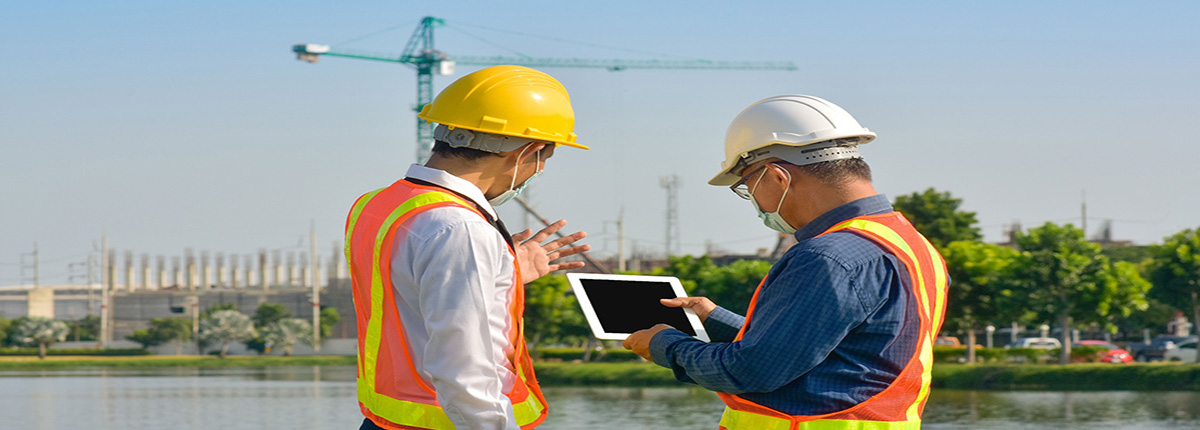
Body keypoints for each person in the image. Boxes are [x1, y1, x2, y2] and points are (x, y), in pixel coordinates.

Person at [624, 95, 949, 429]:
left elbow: (752, 370)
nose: (755, 203)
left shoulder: (826, 257)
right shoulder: (911, 245)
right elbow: (824, 351)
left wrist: (664, 344)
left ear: (778, 176)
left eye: (747, 187)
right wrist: (714, 319)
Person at [346, 65, 591, 430]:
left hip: (386, 420)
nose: (537, 171)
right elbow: (464, 372)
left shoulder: (377, 205)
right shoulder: (459, 228)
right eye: (544, 160)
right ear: (529, 152)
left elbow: (410, 296)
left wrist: (502, 271)